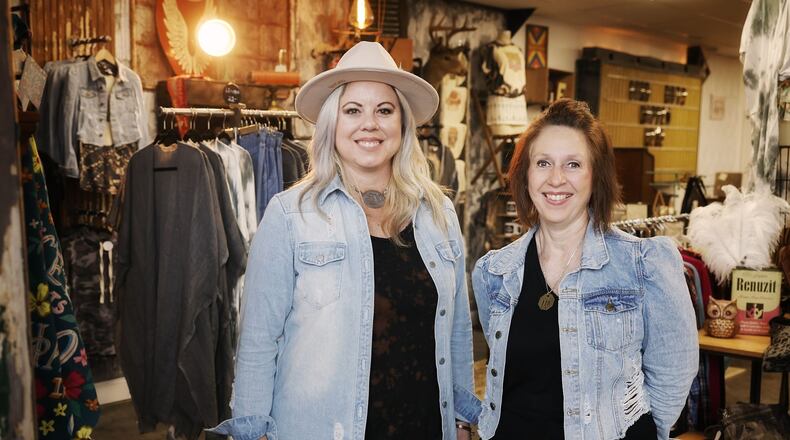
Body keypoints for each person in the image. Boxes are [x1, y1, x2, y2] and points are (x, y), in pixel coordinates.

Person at [208, 41, 479, 440]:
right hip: (321, 428)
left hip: (422, 424)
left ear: (402, 125)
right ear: (333, 124)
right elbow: (258, 341)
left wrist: (461, 413)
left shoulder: (438, 212)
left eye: (384, 110)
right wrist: (251, 428)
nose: (369, 123)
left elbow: (456, 329)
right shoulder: (290, 215)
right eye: (353, 110)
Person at [472, 99, 698, 440]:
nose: (556, 179)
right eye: (543, 163)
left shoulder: (642, 264)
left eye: (573, 164)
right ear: (526, 174)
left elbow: (675, 370)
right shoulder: (495, 273)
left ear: (596, 176)